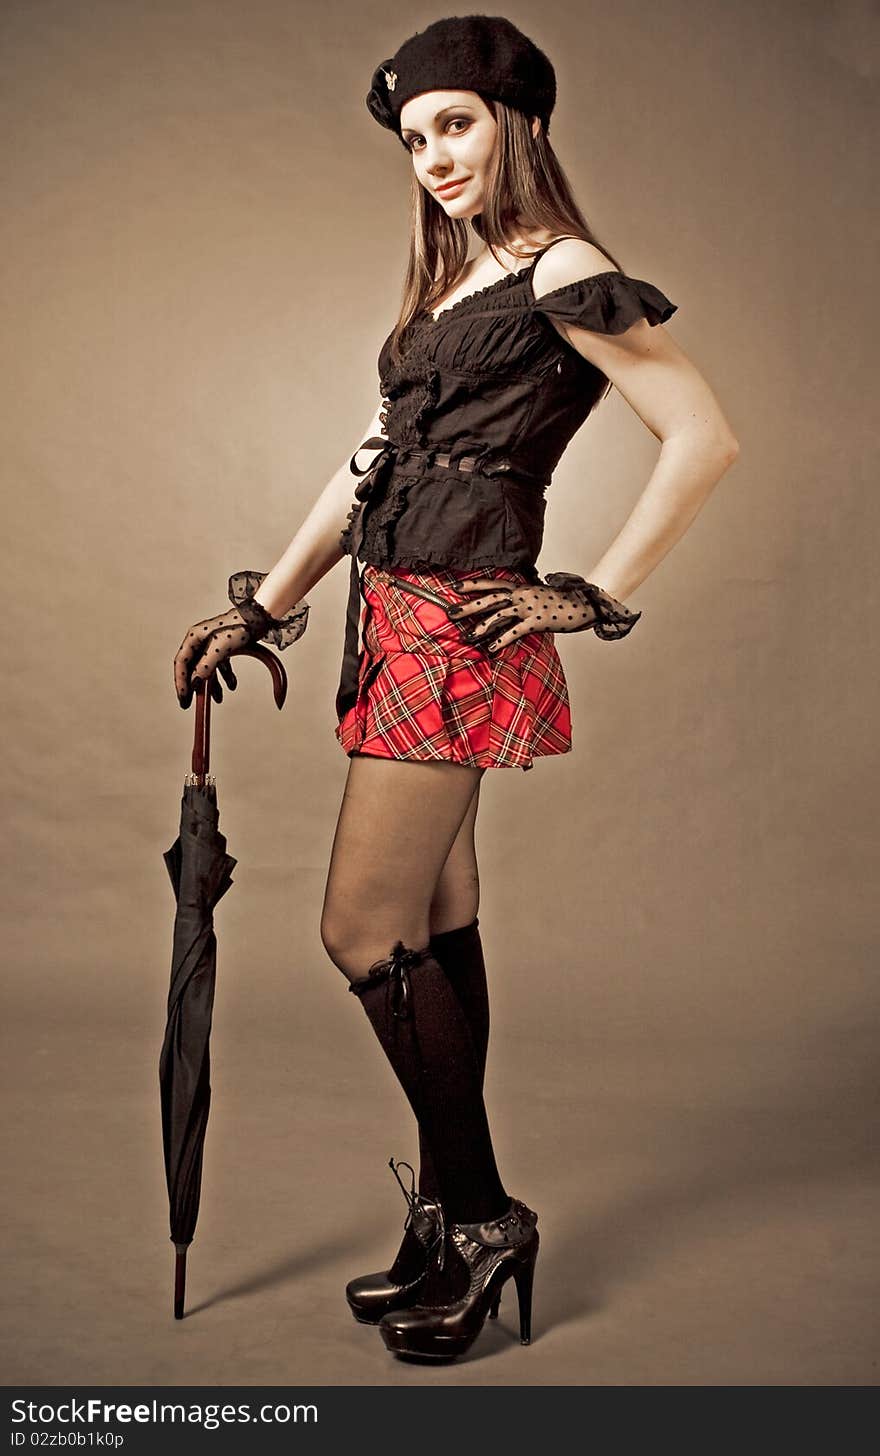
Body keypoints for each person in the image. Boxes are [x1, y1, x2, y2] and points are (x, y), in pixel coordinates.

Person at [172, 15, 739, 1364]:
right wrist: (268, 603)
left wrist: (589, 591)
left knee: (360, 933)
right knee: (431, 918)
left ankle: (479, 1216)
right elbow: (363, 464)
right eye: (414, 135)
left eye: (456, 125)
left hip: (457, 631)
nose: (431, 155)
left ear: (516, 123)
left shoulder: (565, 268)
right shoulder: (451, 285)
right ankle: (452, 1216)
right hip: (389, 615)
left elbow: (705, 439)